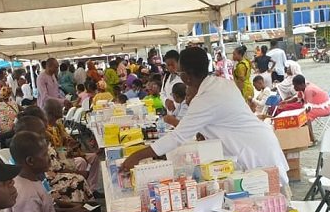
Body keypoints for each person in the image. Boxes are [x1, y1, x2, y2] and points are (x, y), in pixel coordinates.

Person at [120, 47, 290, 190]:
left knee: (270, 202)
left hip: (256, 153)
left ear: (185, 76)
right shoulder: (221, 83)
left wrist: (136, 156)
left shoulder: (207, 97)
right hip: (260, 144)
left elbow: (178, 136)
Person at [292, 75, 330, 143]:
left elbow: (308, 107)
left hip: (325, 108)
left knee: (305, 116)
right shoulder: (303, 87)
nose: (294, 88)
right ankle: (306, 136)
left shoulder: (309, 90)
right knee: (302, 114)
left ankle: (312, 139)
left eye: (295, 86)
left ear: (302, 84)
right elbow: (297, 98)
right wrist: (286, 102)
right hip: (316, 106)